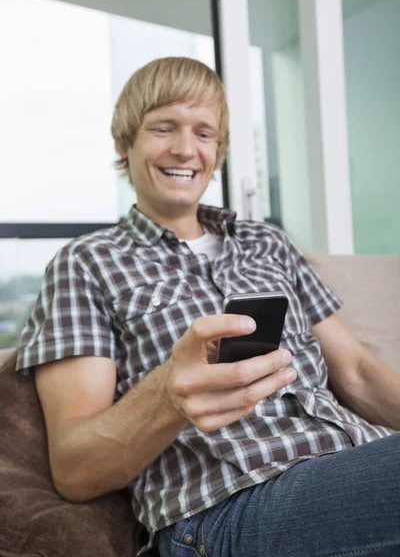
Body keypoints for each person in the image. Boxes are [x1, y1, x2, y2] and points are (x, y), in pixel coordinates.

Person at [16, 57, 399, 557]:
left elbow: (359, 371)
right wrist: (168, 397)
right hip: (225, 509)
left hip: (357, 463)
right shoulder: (87, 262)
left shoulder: (268, 243)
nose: (184, 148)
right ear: (123, 143)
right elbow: (75, 468)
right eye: (162, 128)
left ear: (217, 150)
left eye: (203, 133)